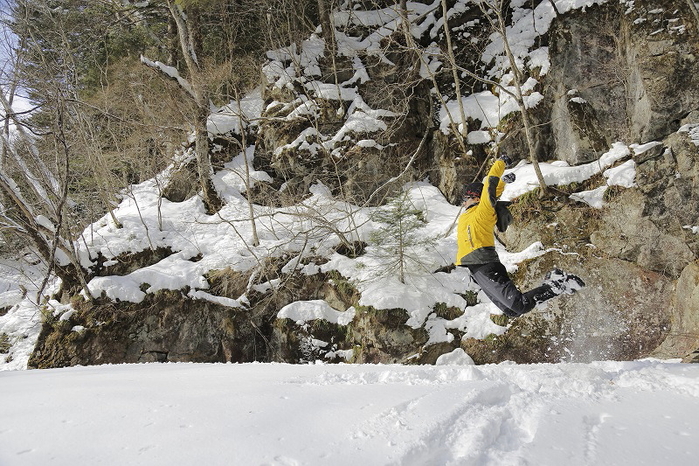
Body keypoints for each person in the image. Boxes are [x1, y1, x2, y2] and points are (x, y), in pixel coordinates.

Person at [455, 155, 585, 318]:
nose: (463, 203)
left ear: (475, 197)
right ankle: (552, 286)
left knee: (519, 305)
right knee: (511, 311)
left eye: (464, 199)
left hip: (484, 264)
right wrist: (503, 183)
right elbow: (492, 191)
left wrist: (500, 164)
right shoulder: (469, 214)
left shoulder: (483, 211)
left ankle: (556, 284)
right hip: (475, 269)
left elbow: (489, 188)